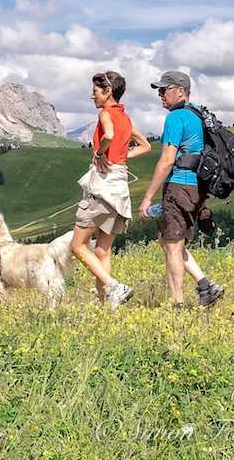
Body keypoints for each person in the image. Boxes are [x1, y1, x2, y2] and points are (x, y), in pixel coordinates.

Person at [137, 71, 225, 308]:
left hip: (179, 186)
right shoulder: (198, 115)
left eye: (164, 90)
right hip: (197, 187)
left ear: (180, 90)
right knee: (166, 241)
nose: (160, 95)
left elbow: (167, 161)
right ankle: (206, 286)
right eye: (159, 91)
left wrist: (147, 198)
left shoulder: (175, 118)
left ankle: (177, 305)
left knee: (173, 246)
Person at [71, 71, 152, 309]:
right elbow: (146, 146)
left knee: (77, 245)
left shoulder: (105, 113)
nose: (92, 96)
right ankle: (106, 304)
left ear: (107, 92)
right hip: (120, 189)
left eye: (95, 91)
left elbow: (109, 134)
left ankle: (114, 286)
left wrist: (99, 153)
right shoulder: (125, 117)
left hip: (103, 188)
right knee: (103, 251)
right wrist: (120, 157)